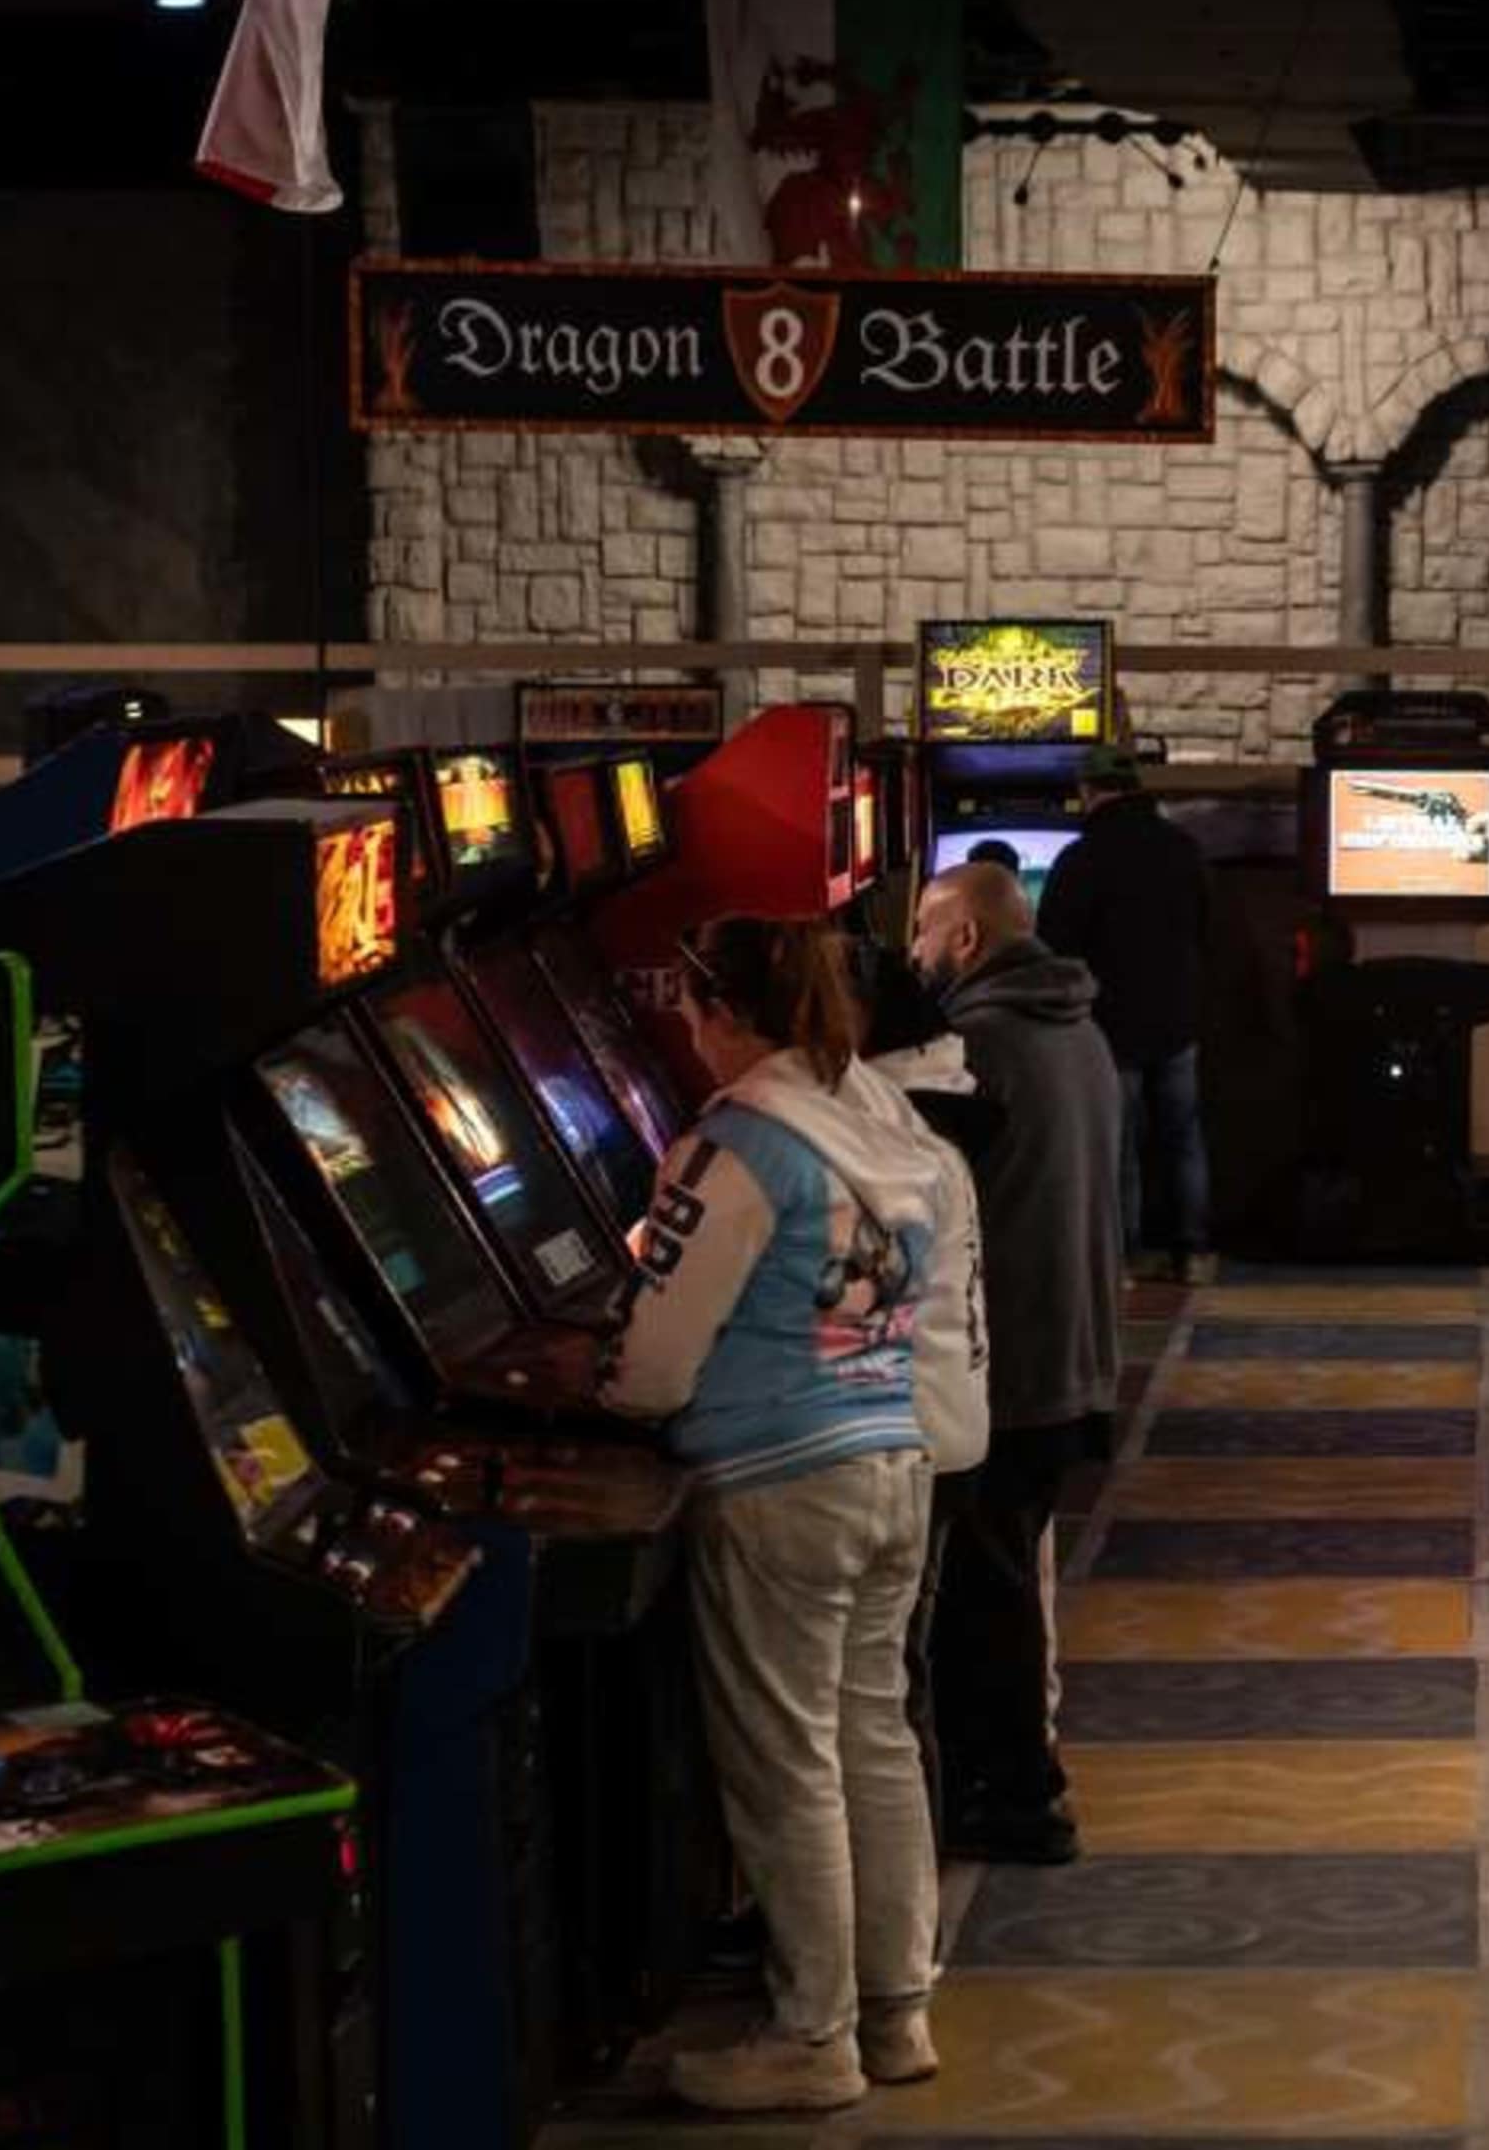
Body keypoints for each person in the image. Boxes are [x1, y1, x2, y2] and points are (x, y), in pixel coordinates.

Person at [603, 914, 983, 2115]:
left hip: (777, 1475)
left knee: (788, 1762)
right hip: (890, 1461)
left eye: (695, 1010)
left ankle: (811, 2033)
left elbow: (657, 1363)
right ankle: (895, 2006)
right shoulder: (886, 1130)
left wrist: (600, 1384)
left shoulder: (739, 1145)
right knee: (873, 1735)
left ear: (723, 1014)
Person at [904, 860, 1124, 1864]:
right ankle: (1016, 1772)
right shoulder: (1074, 1024)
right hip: (1070, 1349)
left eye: (922, 928)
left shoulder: (980, 1044)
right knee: (1008, 1580)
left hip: (1014, 1362)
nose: (911, 951)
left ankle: (1018, 1794)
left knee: (984, 1595)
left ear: (964, 939)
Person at [1035, 743, 1214, 1280]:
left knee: (1119, 1144)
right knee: (1184, 1137)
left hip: (1109, 1024)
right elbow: (1204, 925)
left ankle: (1124, 1258)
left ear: (1087, 793)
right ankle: (1196, 1252)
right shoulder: (1183, 847)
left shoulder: (1079, 858)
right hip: (1179, 1017)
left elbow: (1052, 945)